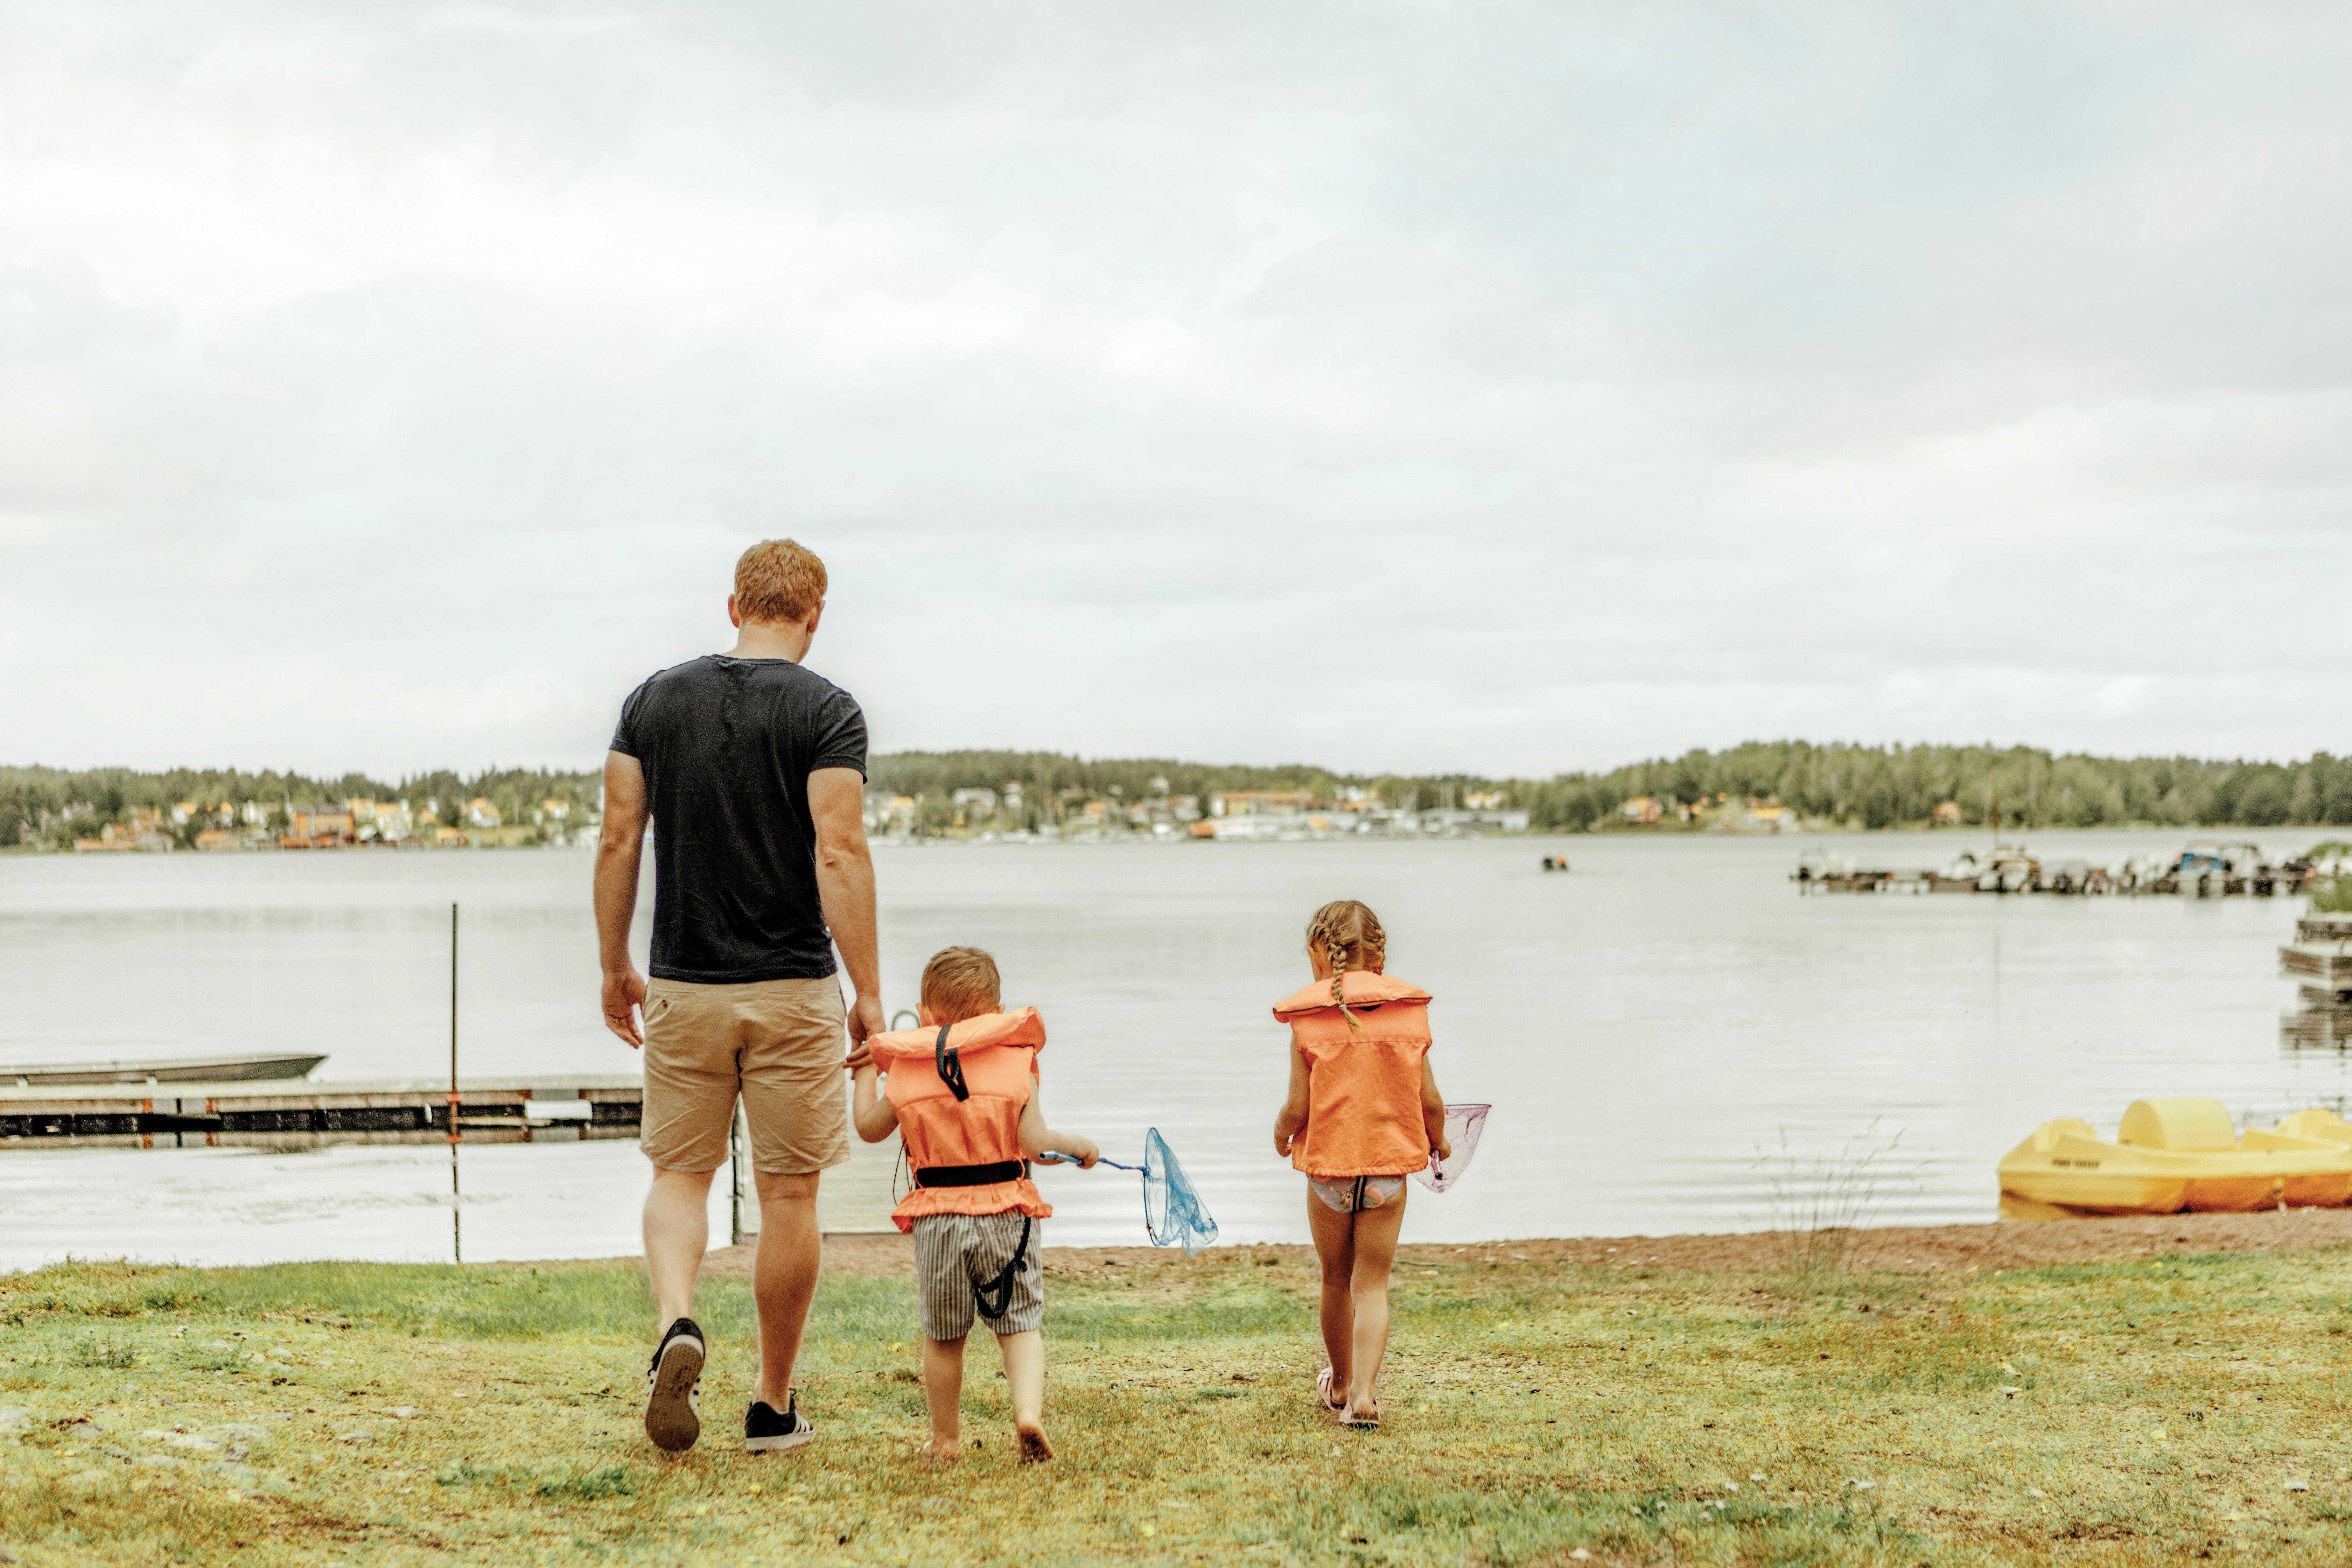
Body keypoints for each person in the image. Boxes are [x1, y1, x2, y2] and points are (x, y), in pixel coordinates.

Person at [594, 538, 884, 1456]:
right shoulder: (827, 710)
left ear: (733, 607)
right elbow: (838, 851)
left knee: (680, 1177)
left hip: (683, 982)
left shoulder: (651, 701)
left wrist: (614, 964)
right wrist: (869, 993)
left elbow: (617, 837)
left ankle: (679, 1319)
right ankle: (771, 1404)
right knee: (789, 1195)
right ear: (815, 614)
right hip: (794, 986)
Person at [850, 946, 1099, 1464]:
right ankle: (1027, 1415)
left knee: (945, 1338)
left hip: (938, 1221)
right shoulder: (1016, 1064)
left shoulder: (908, 1069)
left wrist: (864, 1075)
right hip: (1006, 1214)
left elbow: (869, 1130)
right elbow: (1037, 1146)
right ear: (995, 1015)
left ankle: (945, 1442)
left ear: (925, 1018)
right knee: (1020, 1328)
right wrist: (1080, 1149)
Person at [1270, 899, 1449, 1429]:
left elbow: (1297, 1110)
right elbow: (1432, 1103)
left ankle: (1341, 1383)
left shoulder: (1310, 1023)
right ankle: (1365, 1397)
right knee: (1371, 1285)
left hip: (1330, 1175)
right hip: (1388, 1176)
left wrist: (1282, 1135)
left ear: (1318, 954)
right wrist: (1438, 1141)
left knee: (1334, 1279)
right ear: (1381, 955)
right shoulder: (1408, 1020)